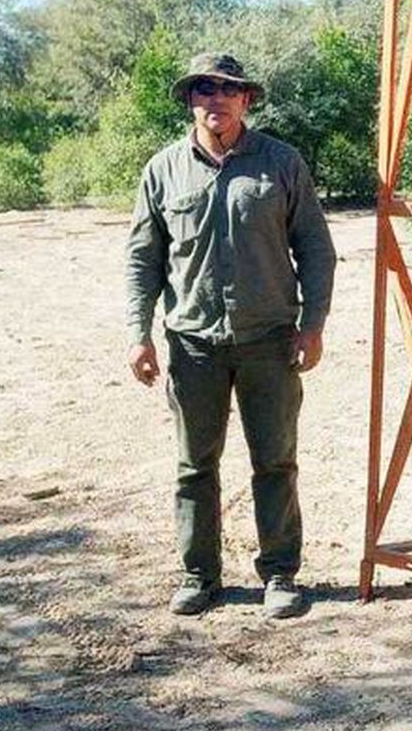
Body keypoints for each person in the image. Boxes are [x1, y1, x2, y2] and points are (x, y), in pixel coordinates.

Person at [125, 52, 336, 619]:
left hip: (269, 340)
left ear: (246, 99)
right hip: (193, 345)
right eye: (202, 90)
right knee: (195, 466)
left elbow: (315, 250)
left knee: (275, 462)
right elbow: (143, 259)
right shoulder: (163, 169)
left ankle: (281, 575)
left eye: (226, 89)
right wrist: (138, 334)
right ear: (190, 101)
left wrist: (313, 326)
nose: (214, 99)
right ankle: (199, 575)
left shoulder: (281, 164)